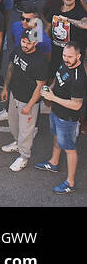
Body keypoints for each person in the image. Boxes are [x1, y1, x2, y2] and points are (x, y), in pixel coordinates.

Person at [35, 41, 84, 193]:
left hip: (67, 118)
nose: (66, 59)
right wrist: (50, 88)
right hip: (56, 112)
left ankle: (70, 182)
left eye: (70, 56)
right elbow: (58, 78)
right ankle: (54, 162)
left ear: (79, 56)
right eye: (64, 55)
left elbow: (77, 105)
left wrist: (52, 98)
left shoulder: (79, 78)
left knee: (69, 148)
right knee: (56, 137)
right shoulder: (65, 64)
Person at [1, 29, 51, 172]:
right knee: (13, 123)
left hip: (28, 100)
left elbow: (40, 86)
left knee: (26, 131)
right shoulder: (18, 49)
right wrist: (5, 87)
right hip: (14, 94)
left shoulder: (40, 61)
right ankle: (17, 143)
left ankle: (24, 157)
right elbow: (11, 66)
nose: (25, 45)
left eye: (28, 43)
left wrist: (29, 105)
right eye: (23, 41)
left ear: (35, 42)